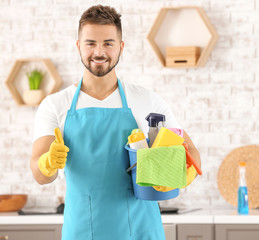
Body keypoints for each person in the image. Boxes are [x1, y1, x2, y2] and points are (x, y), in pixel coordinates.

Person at [30, 4, 201, 240]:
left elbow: (191, 153)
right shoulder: (55, 105)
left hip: (141, 230)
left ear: (121, 47)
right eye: (90, 43)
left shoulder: (147, 101)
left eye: (108, 43)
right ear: (79, 46)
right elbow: (39, 174)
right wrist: (48, 163)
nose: (99, 52)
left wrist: (177, 172)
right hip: (83, 231)